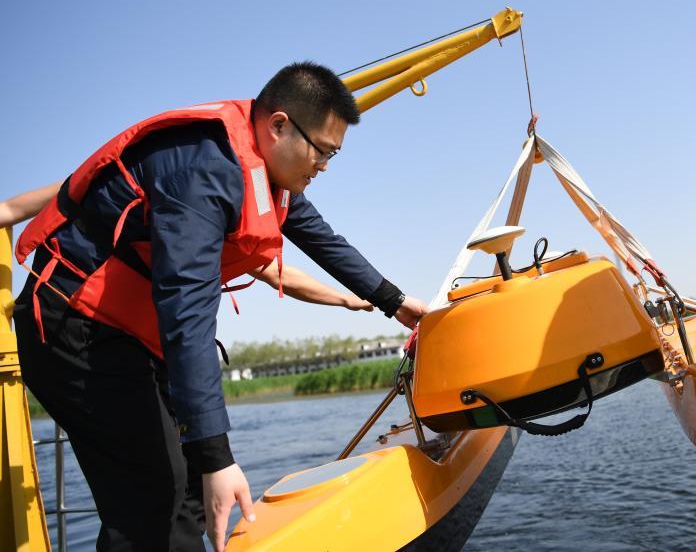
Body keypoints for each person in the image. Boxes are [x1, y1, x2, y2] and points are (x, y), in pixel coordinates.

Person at [11, 62, 429, 551]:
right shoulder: (201, 173)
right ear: (278, 126)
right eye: (323, 152)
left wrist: (395, 302)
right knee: (153, 498)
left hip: (131, 338)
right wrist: (217, 455)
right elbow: (186, 309)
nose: (325, 167)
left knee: (185, 488)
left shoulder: (267, 173)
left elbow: (324, 241)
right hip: (73, 330)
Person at [1, 181, 376, 312]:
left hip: (158, 333)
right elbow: (48, 196)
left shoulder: (231, 211)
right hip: (87, 313)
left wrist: (346, 299)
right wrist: (6, 211)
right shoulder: (159, 172)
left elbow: (278, 274)